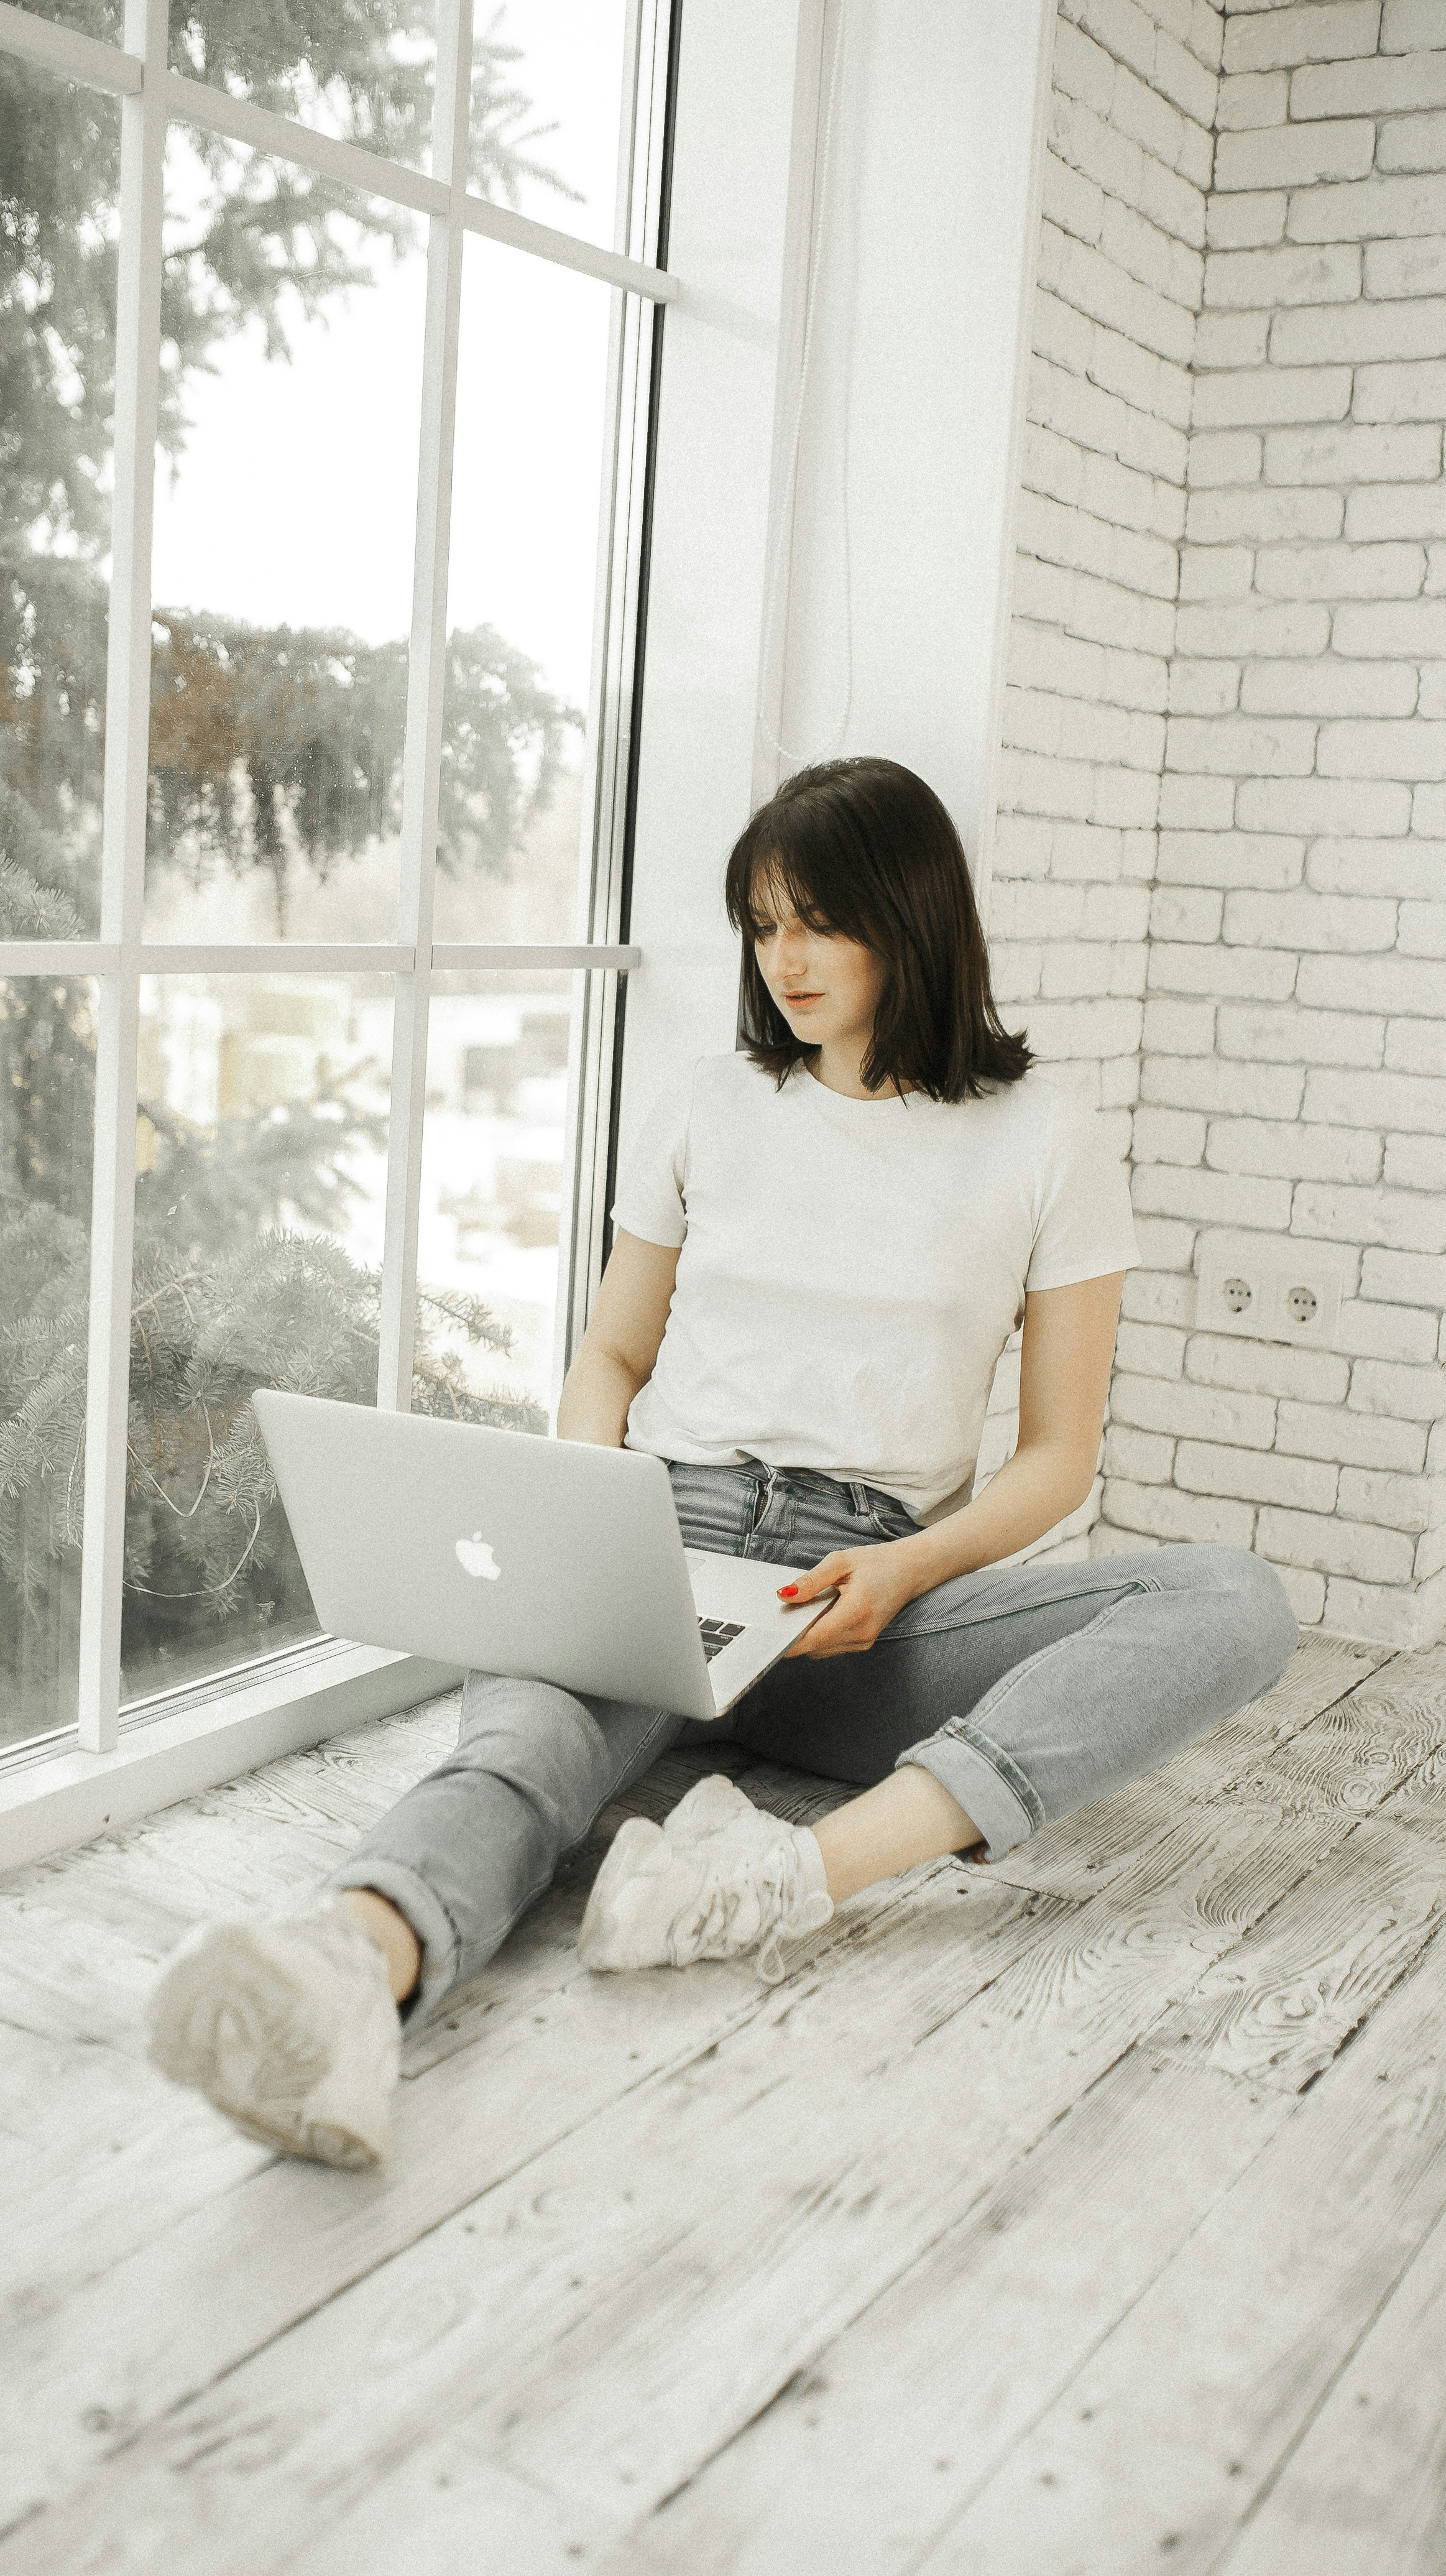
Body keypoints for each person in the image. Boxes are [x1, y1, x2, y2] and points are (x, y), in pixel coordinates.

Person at [147, 757, 1299, 2171]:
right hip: (660, 1531)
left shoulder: (1044, 1135)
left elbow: (1058, 1459)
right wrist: (591, 1508)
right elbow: (608, 1360)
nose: (785, 958)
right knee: (527, 1751)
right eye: (761, 925)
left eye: (818, 921)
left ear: (912, 920)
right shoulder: (714, 1101)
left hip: (860, 1593)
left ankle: (781, 1877)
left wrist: (905, 1567)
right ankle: (348, 1967)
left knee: (1233, 1599)